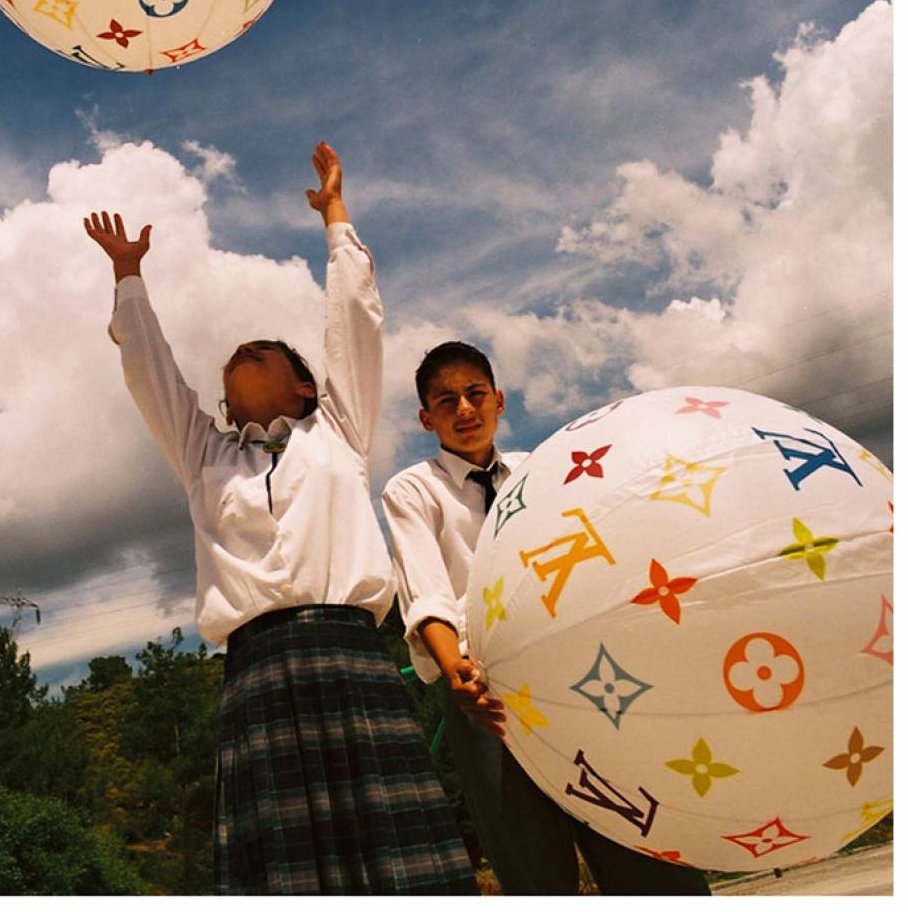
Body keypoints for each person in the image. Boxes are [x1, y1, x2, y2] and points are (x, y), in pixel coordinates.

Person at [84, 144, 478, 896]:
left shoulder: (338, 428)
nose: (240, 352)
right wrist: (127, 274)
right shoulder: (205, 453)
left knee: (399, 863)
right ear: (225, 407)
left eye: (261, 350)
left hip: (350, 656)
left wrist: (335, 216)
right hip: (256, 670)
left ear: (303, 385)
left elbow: (354, 320)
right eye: (233, 362)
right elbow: (151, 373)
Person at [383, 341, 711, 895]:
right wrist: (455, 668)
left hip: (586, 678)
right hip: (483, 695)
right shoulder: (414, 491)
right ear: (425, 418)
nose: (464, 409)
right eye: (446, 401)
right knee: (531, 860)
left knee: (638, 832)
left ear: (499, 401)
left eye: (475, 394)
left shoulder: (549, 470)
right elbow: (426, 593)